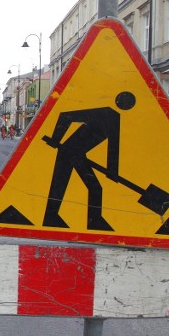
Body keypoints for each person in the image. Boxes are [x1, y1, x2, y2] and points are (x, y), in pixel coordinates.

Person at [41, 91, 136, 231]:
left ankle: (89, 220)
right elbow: (65, 116)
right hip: (68, 152)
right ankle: (87, 220)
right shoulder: (105, 113)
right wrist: (56, 139)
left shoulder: (115, 119)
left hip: (77, 153)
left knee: (89, 187)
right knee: (61, 184)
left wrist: (112, 172)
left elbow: (113, 148)